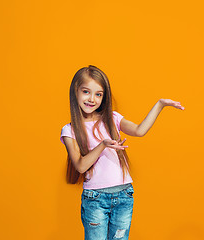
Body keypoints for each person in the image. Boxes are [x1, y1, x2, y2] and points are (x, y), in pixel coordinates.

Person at [60, 65, 184, 240]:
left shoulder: (112, 118)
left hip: (124, 195)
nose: (92, 99)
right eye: (86, 91)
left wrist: (160, 105)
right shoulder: (69, 130)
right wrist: (103, 145)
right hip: (95, 199)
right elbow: (81, 166)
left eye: (98, 94)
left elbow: (140, 130)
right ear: (76, 92)